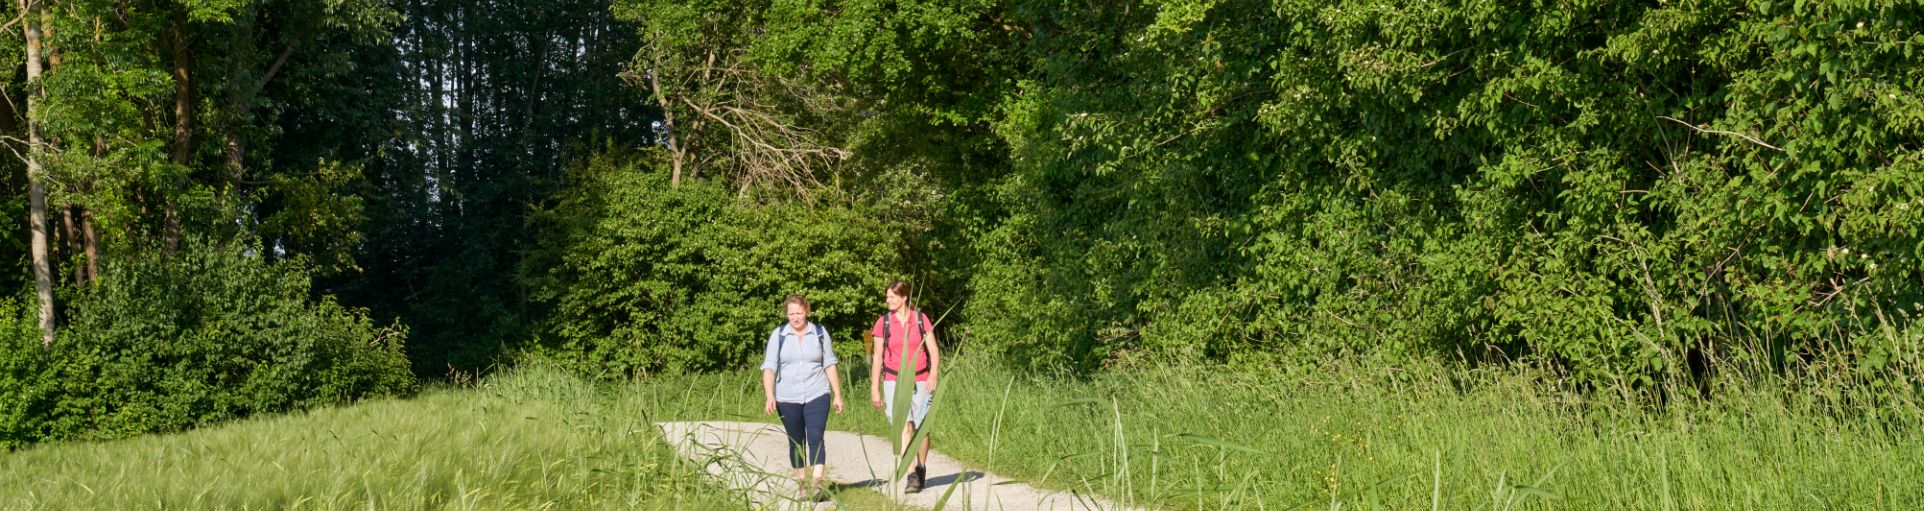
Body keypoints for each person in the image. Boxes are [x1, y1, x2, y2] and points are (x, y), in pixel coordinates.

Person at [760, 294, 844, 502]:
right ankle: (802, 485)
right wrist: (770, 395)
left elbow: (829, 364)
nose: (795, 318)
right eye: (791, 314)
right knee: (796, 441)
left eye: (799, 313)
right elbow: (769, 367)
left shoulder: (819, 333)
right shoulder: (778, 335)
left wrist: (837, 395)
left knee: (816, 437)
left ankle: (816, 484)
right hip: (787, 397)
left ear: (807, 311)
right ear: (786, 314)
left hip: (818, 392)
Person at [868, 280, 940, 493]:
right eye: (887, 297)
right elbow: (878, 356)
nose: (887, 300)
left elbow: (933, 350)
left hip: (921, 379)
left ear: (904, 297)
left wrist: (933, 373)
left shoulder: (920, 319)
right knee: (904, 426)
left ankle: (921, 467)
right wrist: (875, 388)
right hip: (894, 380)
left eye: (891, 296)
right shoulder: (884, 323)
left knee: (922, 428)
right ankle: (911, 474)